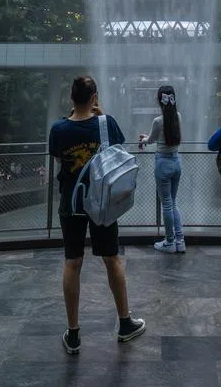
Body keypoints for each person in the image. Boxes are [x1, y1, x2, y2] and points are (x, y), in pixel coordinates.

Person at [48, 76, 145, 354]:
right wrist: (99, 117)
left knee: (72, 262)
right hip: (102, 202)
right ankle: (125, 323)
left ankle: (74, 333)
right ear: (94, 98)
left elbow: (60, 162)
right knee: (111, 258)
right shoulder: (107, 123)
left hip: (71, 202)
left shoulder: (59, 128)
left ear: (71, 98)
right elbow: (117, 157)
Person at [140, 84, 185, 253]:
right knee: (173, 203)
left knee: (166, 204)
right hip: (176, 162)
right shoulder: (178, 116)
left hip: (163, 163)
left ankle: (169, 242)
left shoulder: (158, 121)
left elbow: (151, 140)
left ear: (160, 101)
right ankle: (180, 241)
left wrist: (143, 139)